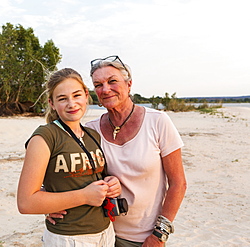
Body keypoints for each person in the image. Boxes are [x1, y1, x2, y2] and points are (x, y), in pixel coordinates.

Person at [48, 56, 187, 247]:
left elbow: (178, 183)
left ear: (129, 85)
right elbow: (64, 173)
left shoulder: (158, 121)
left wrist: (159, 235)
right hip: (101, 234)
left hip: (146, 237)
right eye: (98, 84)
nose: (105, 89)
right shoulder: (90, 130)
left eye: (112, 81)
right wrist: (48, 204)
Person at [17, 68, 121, 247]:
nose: (72, 104)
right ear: (51, 103)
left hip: (106, 233)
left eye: (76, 95)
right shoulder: (45, 136)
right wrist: (83, 196)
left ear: (86, 95)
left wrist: (112, 184)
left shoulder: (92, 135)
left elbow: (89, 178)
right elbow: (26, 203)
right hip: (69, 238)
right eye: (62, 99)